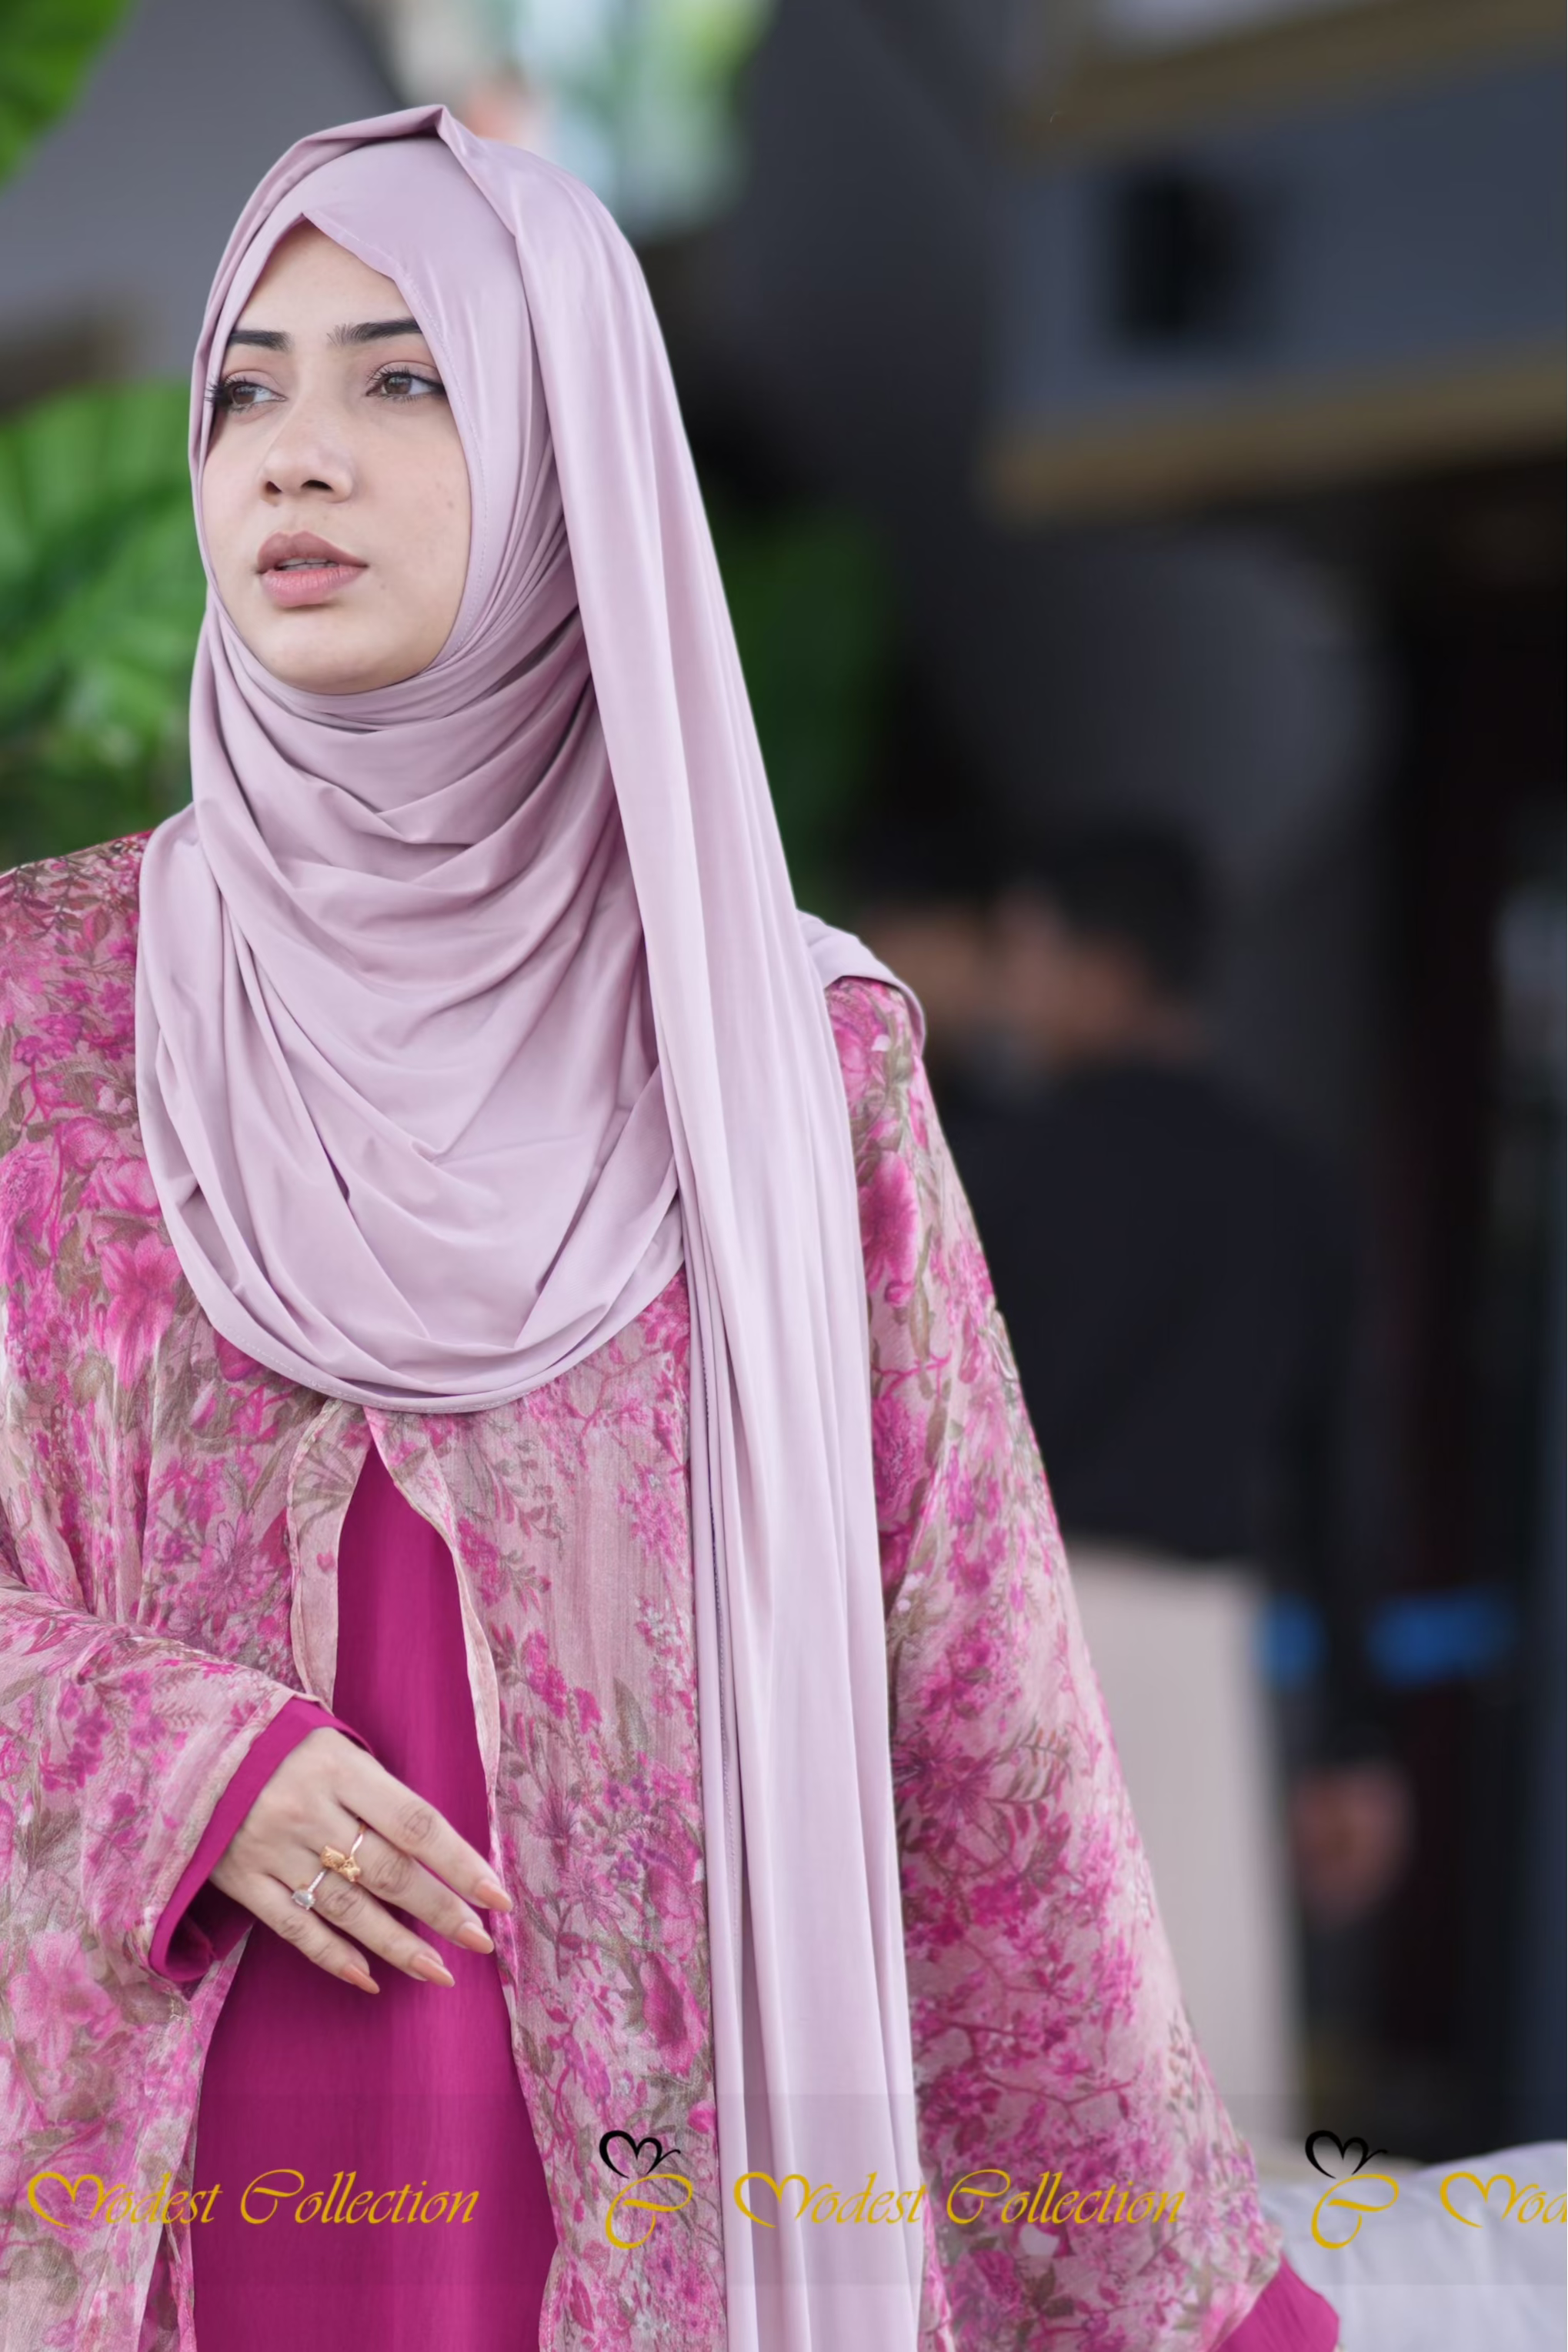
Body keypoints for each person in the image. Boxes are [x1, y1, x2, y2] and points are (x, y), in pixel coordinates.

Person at [0, 112, 1340, 2352]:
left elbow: (973, 1712)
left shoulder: (787, 1056)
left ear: (573, 452)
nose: (292, 451)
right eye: (244, 385)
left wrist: (1173, 2302)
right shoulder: (40, 1011)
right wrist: (160, 1757)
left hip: (648, 2199)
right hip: (164, 2189)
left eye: (405, 376)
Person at [955, 825, 1409, 2146]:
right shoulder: (1289, 1184)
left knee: (994, 2060)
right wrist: (1356, 1742)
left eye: (1028, 951)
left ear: (1101, 968)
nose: (1010, 987)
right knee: (1192, 2089)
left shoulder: (992, 1168)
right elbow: (1338, 1475)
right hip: (1199, 1649)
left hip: (1006, 1633)